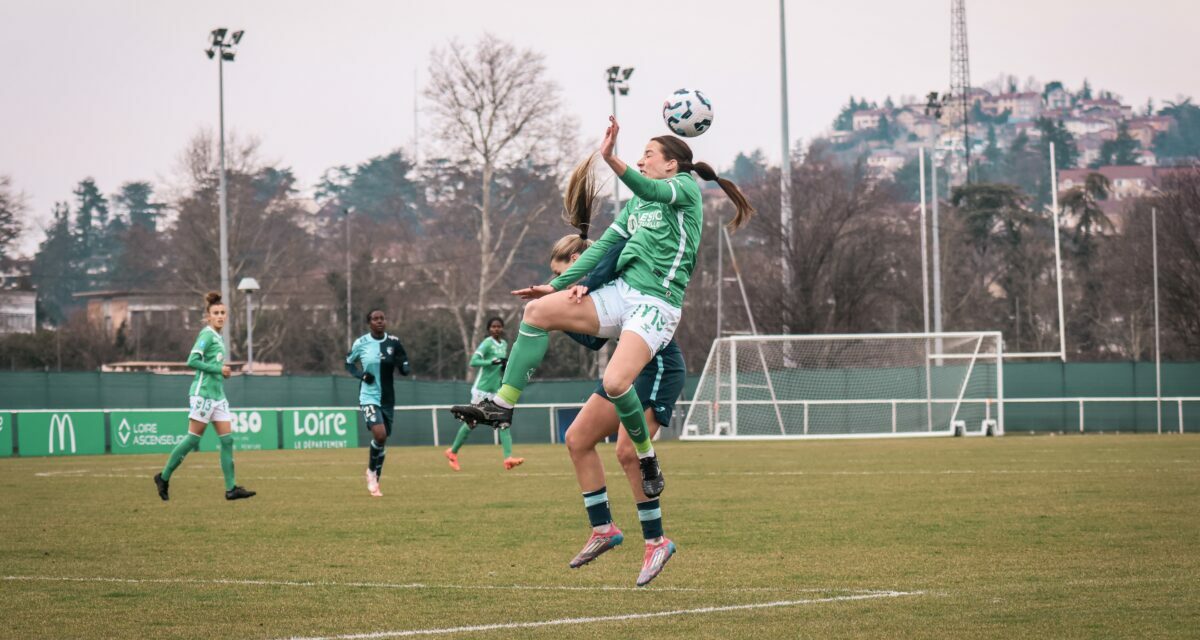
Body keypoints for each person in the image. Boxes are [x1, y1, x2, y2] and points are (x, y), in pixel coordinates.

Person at [453, 115, 753, 500]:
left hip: (656, 304)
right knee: (537, 312)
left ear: (671, 165)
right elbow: (599, 249)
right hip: (621, 294)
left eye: (648, 155)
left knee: (614, 382)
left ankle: (646, 456)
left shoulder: (684, 189)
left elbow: (646, 185)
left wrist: (611, 158)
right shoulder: (635, 207)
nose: (642, 161)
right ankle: (501, 405)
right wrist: (556, 285)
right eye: (640, 155)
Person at [546, 190, 687, 586]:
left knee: (628, 452)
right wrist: (559, 314)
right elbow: (594, 340)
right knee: (577, 439)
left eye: (561, 274)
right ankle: (603, 529)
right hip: (623, 374)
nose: (559, 282)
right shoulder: (590, 281)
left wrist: (565, 306)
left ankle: (657, 541)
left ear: (577, 262)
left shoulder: (606, 272)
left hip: (658, 367)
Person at [154, 291, 255, 501]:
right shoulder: (207, 335)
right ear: (208, 316)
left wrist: (222, 373)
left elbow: (213, 367)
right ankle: (163, 477)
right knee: (192, 440)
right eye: (216, 313)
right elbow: (191, 361)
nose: (220, 316)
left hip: (218, 396)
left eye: (223, 313)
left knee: (228, 441)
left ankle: (231, 489)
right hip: (203, 395)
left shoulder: (218, 338)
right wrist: (218, 370)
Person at [444, 317, 524, 471]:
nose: (496, 329)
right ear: (489, 329)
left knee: (504, 422)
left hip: (496, 391)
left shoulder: (504, 344)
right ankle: (452, 452)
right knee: (471, 422)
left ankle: (508, 458)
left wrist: (503, 365)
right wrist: (491, 362)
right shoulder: (487, 343)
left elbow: (499, 367)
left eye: (499, 326)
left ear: (502, 328)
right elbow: (473, 362)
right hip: (481, 390)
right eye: (493, 327)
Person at [345, 309, 411, 497]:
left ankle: (374, 476)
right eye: (375, 319)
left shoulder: (394, 342)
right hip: (368, 397)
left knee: (382, 440)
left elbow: (403, 360)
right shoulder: (361, 343)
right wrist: (361, 374)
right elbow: (348, 363)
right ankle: (372, 474)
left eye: (382, 318)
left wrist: (405, 367)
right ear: (369, 323)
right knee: (380, 435)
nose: (380, 321)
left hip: (388, 398)